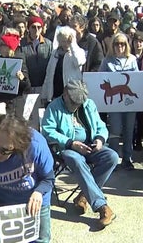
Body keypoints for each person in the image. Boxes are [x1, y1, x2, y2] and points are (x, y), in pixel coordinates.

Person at [42, 80, 118, 227]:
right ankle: (101, 206)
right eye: (74, 103)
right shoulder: (54, 107)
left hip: (90, 146)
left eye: (79, 103)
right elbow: (48, 131)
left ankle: (84, 196)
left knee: (112, 157)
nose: (77, 106)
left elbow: (101, 126)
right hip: (67, 148)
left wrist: (100, 139)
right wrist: (71, 143)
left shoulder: (89, 104)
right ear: (65, 94)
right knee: (76, 160)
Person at [0, 115, 54, 242]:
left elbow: (48, 178)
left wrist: (39, 192)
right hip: (0, 201)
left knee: (40, 240)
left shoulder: (35, 145)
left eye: (4, 150)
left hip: (33, 200)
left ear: (18, 145)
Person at [99, 32, 140, 169]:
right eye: (117, 44)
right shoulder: (107, 60)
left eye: (122, 44)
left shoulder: (132, 59)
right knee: (115, 130)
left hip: (129, 103)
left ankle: (127, 158)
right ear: (113, 45)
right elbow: (99, 77)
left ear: (126, 45)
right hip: (114, 104)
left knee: (129, 130)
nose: (120, 46)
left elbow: (137, 79)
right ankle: (113, 158)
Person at [41, 27, 85, 103]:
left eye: (67, 41)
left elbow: (78, 62)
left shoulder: (79, 52)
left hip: (71, 95)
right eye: (63, 41)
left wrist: (73, 45)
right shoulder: (55, 53)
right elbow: (49, 74)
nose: (65, 44)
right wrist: (44, 95)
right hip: (55, 94)